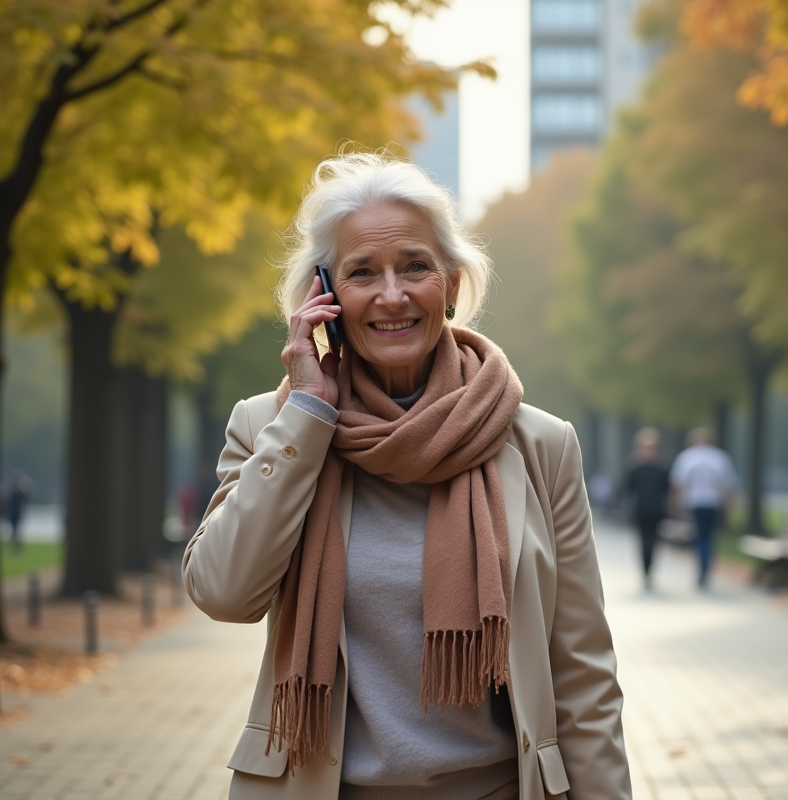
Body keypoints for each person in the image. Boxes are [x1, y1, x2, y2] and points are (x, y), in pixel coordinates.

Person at [183, 153, 631, 800]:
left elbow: (583, 675)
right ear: (326, 297)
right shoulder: (272, 428)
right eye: (363, 272)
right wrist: (308, 414)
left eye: (415, 267)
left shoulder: (540, 444)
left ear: (450, 285)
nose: (392, 294)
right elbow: (223, 593)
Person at [669, 428, 738, 587]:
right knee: (709, 536)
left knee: (700, 536)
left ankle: (702, 568)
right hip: (713, 502)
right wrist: (728, 506)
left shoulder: (687, 457)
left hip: (695, 502)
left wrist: (675, 504)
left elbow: (678, 484)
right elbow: (728, 485)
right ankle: (706, 568)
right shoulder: (719, 457)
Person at [625, 428, 669, 590]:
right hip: (640, 509)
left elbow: (667, 489)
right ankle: (645, 572)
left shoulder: (662, 468)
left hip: (656, 510)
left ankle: (650, 570)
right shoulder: (635, 468)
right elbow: (628, 488)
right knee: (643, 541)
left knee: (654, 542)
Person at [4, 470, 32, 554]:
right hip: (13, 514)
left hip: (17, 514)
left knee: (16, 531)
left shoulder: (19, 493)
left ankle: (16, 547)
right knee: (14, 531)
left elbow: (26, 497)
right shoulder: (12, 492)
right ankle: (15, 547)